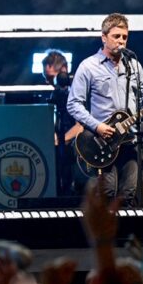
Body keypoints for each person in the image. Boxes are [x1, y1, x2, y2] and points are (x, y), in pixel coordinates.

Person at [66, 13, 143, 206]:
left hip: (129, 140)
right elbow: (73, 104)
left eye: (124, 37)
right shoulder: (88, 66)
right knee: (107, 192)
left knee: (128, 194)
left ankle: (125, 227)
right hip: (102, 141)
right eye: (116, 36)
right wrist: (98, 126)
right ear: (104, 37)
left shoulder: (134, 65)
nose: (121, 41)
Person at [41, 50, 83, 195]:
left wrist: (59, 140)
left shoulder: (75, 94)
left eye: (51, 77)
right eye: (46, 78)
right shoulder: (55, 95)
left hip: (75, 154)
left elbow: (80, 126)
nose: (48, 82)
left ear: (63, 72)